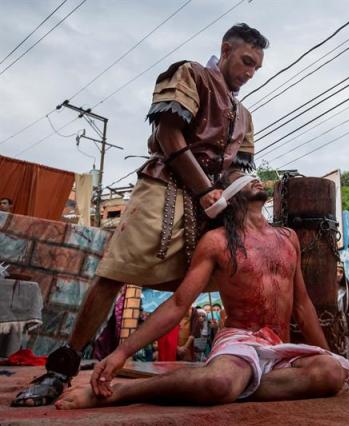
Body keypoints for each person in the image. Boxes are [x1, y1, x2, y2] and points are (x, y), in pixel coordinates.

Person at [12, 23, 269, 407]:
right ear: (227, 48)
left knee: (239, 277)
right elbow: (168, 135)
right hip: (165, 189)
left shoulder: (244, 115)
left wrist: (241, 185)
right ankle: (61, 369)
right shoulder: (190, 73)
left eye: (256, 68)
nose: (249, 73)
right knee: (114, 272)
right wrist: (204, 190)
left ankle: (244, 361)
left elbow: (234, 167)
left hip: (212, 203)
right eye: (246, 61)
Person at [54, 175, 349, 409]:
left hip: (278, 349)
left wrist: (327, 353)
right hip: (239, 343)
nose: (254, 179)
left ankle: (242, 383)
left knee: (332, 372)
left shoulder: (288, 238)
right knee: (220, 383)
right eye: (243, 178)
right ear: (229, 197)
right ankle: (121, 393)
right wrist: (121, 353)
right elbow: (178, 304)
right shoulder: (217, 242)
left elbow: (303, 306)